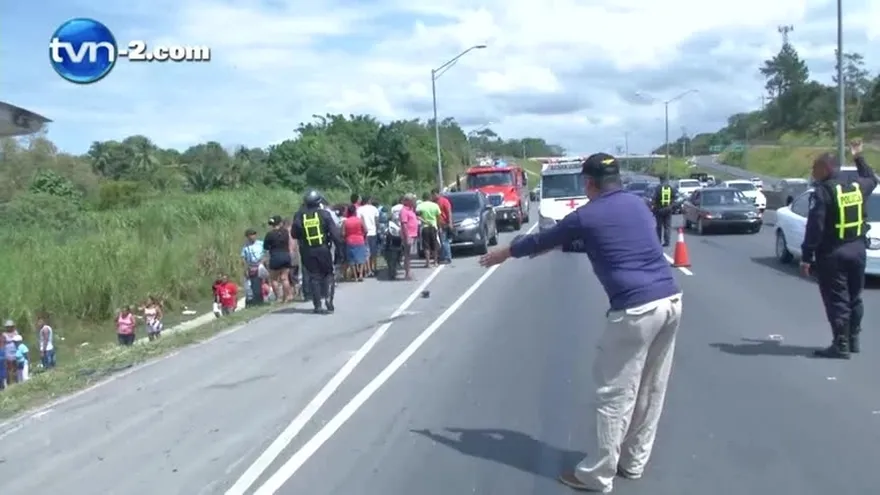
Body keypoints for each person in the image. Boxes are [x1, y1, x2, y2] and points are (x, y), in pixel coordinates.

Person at [479, 152, 683, 493]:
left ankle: (597, 474)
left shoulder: (587, 215)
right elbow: (593, 239)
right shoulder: (637, 205)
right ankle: (632, 462)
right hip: (672, 300)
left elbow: (545, 238)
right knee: (651, 387)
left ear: (588, 183)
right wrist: (552, 245)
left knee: (614, 394)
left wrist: (505, 253)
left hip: (635, 309)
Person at [801, 140, 878, 359]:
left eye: (815, 168)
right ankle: (853, 339)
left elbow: (815, 227)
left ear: (826, 169)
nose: (812, 172)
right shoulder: (856, 187)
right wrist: (858, 157)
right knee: (855, 298)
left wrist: (806, 257)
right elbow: (872, 178)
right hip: (857, 250)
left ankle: (840, 344)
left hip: (833, 254)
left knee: (837, 300)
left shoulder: (823, 192)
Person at [292, 190, 344, 313]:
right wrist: (340, 251)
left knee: (314, 276)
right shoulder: (325, 214)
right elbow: (335, 234)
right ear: (319, 201)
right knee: (328, 274)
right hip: (323, 249)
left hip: (307, 251)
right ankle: (328, 299)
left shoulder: (299, 215)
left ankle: (317, 305)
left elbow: (294, 234)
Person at [264, 215, 295, 303]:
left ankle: (279, 297)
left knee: (274, 279)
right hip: (285, 255)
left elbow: (266, 247)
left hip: (275, 257)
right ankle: (289, 295)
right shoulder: (285, 232)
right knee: (284, 278)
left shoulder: (269, 234)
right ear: (280, 223)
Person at [241, 228, 268, 306]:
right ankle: (257, 301)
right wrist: (246, 268)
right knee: (254, 285)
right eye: (250, 235)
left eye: (253, 234)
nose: (252, 237)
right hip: (251, 267)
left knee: (263, 283)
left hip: (261, 265)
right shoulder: (246, 247)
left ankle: (264, 299)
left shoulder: (261, 244)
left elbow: (266, 253)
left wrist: (262, 262)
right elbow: (243, 258)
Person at [342, 204, 369, 281]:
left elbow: (343, 233)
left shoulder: (345, 221)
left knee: (352, 259)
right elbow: (366, 230)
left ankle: (355, 276)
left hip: (350, 241)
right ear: (355, 211)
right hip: (360, 240)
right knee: (361, 258)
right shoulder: (360, 220)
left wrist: (346, 237)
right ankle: (360, 274)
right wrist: (363, 236)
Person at [416, 192, 442, 267]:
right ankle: (435, 262)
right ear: (430, 197)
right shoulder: (435, 205)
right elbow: (438, 217)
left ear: (423, 198)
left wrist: (424, 221)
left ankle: (427, 262)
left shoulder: (420, 206)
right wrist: (439, 226)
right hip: (434, 226)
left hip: (424, 227)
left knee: (426, 245)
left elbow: (417, 216)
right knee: (434, 244)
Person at [357, 195, 380, 276]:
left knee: (366, 252)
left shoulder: (359, 209)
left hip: (363, 233)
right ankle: (374, 268)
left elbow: (359, 221)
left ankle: (367, 269)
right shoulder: (374, 209)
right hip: (373, 232)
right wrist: (377, 229)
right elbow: (377, 221)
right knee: (373, 252)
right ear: (369, 201)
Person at [651, 180, 677, 246]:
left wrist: (654, 207)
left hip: (659, 210)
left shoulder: (658, 188)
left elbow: (654, 198)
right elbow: (674, 198)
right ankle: (667, 241)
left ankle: (658, 241)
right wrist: (671, 206)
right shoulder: (670, 188)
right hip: (668, 209)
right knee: (667, 227)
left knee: (659, 227)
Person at [399, 194, 419, 280]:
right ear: (407, 201)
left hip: (413, 234)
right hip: (408, 235)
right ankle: (407, 273)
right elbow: (404, 224)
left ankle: (409, 272)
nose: (413, 202)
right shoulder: (404, 211)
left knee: (409, 254)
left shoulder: (411, 210)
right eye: (412, 200)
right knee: (407, 255)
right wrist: (407, 236)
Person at [433, 188, 453, 263]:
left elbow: (448, 212)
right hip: (436, 224)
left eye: (434, 194)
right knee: (440, 242)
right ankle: (442, 257)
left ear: (437, 194)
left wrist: (450, 223)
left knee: (444, 241)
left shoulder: (444, 201)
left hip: (444, 224)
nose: (433, 196)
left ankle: (447, 257)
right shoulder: (434, 202)